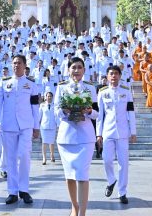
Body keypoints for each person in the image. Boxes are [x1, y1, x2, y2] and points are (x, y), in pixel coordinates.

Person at [0, 55, 40, 205]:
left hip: (26, 125)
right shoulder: (4, 82)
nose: (16, 65)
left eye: (19, 63)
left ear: (25, 65)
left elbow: (35, 107)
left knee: (24, 155)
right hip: (8, 125)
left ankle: (24, 190)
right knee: (10, 158)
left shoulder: (31, 84)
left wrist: (36, 126)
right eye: (14, 63)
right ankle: (12, 191)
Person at [55, 57, 98, 216]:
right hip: (66, 137)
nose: (76, 70)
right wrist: (64, 111)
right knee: (70, 176)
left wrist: (89, 111)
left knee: (82, 175)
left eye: (80, 67)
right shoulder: (61, 87)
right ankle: (74, 206)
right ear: (68, 70)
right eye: (73, 67)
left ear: (84, 70)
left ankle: (82, 213)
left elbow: (96, 113)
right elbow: (56, 111)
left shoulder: (90, 88)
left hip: (85, 137)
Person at [96, 66, 137, 204]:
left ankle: (122, 192)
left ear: (120, 76)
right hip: (108, 131)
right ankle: (111, 180)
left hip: (123, 132)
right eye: (111, 74)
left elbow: (131, 112)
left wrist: (133, 131)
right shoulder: (102, 92)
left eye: (116, 74)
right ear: (107, 76)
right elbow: (100, 115)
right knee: (107, 159)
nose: (113, 76)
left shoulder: (126, 91)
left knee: (123, 163)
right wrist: (98, 134)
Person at [39, 90, 57, 165]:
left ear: (52, 97)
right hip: (44, 126)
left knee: (52, 142)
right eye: (48, 96)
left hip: (52, 125)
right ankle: (44, 158)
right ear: (45, 97)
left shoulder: (55, 105)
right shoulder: (42, 105)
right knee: (44, 142)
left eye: (50, 96)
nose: (49, 97)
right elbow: (39, 116)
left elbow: (56, 116)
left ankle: (52, 155)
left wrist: (58, 125)